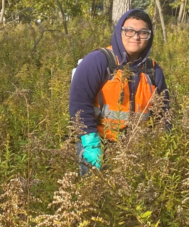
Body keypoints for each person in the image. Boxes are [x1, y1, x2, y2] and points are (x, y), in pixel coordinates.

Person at [69, 9, 170, 174]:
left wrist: (163, 144)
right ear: (119, 32)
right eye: (129, 31)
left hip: (136, 147)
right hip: (97, 142)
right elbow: (79, 104)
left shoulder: (153, 70)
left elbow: (164, 113)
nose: (136, 37)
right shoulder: (98, 61)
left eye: (143, 33)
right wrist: (90, 143)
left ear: (149, 36)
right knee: (95, 194)